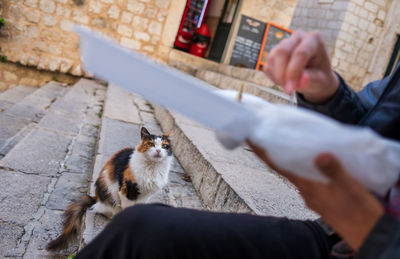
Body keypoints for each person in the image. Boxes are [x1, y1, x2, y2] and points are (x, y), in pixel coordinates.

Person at [75, 31, 400, 259]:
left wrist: (373, 233)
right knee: (140, 229)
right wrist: (327, 93)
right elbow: (372, 131)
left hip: (372, 238)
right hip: (336, 233)